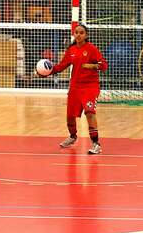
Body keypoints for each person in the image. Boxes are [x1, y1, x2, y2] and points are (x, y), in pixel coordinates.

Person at [38, 24, 108, 154]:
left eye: (81, 33)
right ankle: (73, 136)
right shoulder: (71, 50)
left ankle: (96, 143)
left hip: (90, 87)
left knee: (90, 112)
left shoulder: (92, 49)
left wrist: (92, 66)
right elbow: (61, 66)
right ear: (74, 34)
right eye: (76, 32)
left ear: (86, 35)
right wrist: (46, 72)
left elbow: (103, 65)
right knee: (70, 116)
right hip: (75, 87)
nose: (78, 35)